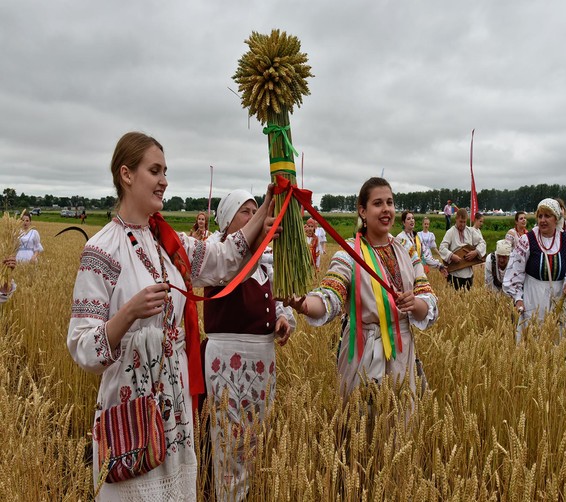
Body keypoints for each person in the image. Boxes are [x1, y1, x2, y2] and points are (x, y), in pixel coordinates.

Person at [67, 132, 276, 500]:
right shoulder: (100, 250)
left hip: (175, 403)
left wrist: (268, 204)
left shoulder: (169, 243)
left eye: (165, 171)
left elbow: (223, 259)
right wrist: (129, 313)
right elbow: (83, 346)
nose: (164, 180)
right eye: (155, 170)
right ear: (126, 175)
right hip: (130, 404)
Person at [288, 177, 438, 399]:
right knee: (360, 426)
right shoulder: (349, 253)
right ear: (363, 211)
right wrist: (303, 304)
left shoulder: (407, 250)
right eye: (378, 203)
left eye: (390, 202)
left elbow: (428, 298)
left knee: (400, 426)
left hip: (402, 351)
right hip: (362, 353)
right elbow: (331, 294)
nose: (386, 209)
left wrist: (415, 303)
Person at [203, 190, 295, 501]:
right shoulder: (217, 256)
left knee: (256, 435)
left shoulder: (264, 263)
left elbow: (277, 300)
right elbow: (238, 273)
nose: (255, 216)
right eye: (247, 212)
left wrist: (282, 319)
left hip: (262, 359)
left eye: (256, 210)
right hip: (229, 360)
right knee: (231, 441)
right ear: (229, 223)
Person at [503, 198, 566, 344]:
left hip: (558, 297)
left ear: (556, 219)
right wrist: (518, 298)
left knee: (557, 340)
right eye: (540, 216)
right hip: (533, 297)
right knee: (532, 339)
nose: (543, 220)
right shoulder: (527, 240)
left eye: (547, 216)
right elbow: (515, 270)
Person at [438, 208, 486, 290]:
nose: (463, 224)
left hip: (468, 274)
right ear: (456, 219)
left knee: (467, 300)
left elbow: (482, 243)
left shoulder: (470, 231)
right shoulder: (450, 232)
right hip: (454, 274)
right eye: (461, 222)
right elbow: (442, 248)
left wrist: (475, 252)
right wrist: (451, 256)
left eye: (464, 222)